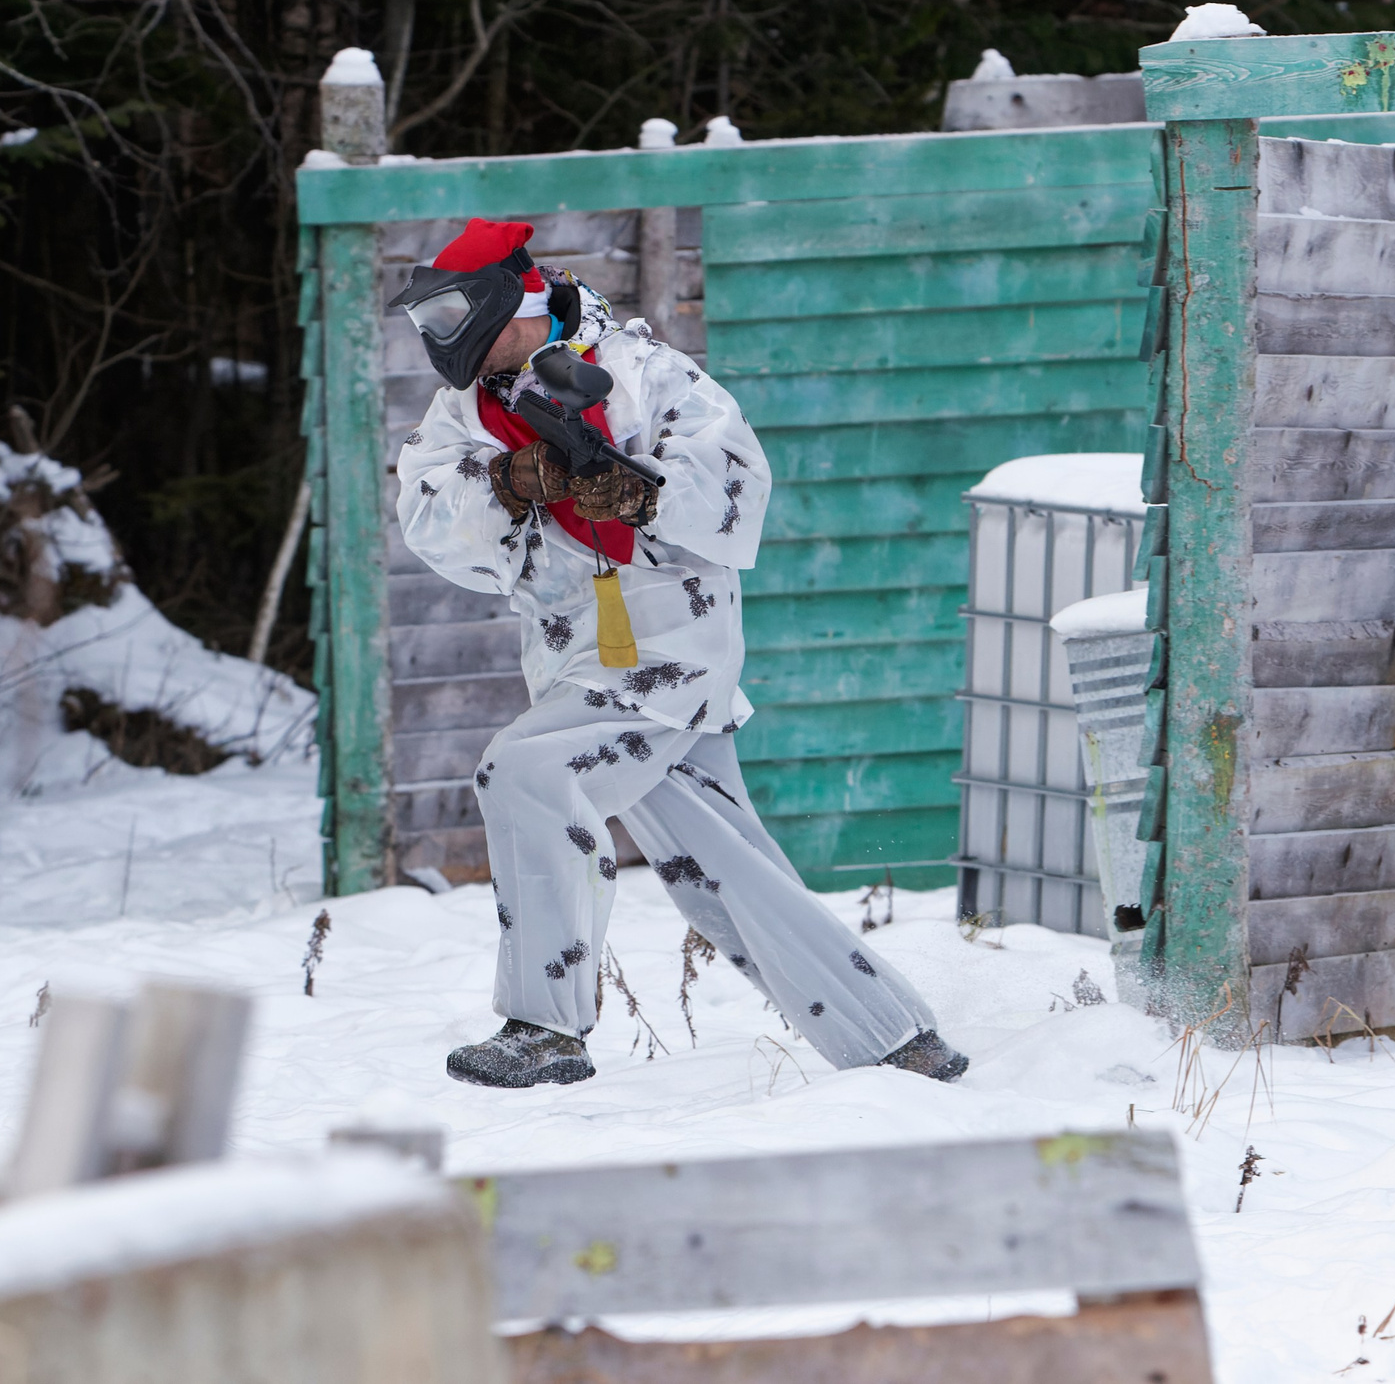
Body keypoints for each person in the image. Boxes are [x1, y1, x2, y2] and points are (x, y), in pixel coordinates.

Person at [392, 217, 969, 1089]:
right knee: (721, 871)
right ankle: (895, 1039)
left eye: (448, 319)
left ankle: (545, 1028)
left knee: (525, 773)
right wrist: (508, 483)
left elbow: (739, 492)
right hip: (569, 656)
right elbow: (428, 519)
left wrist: (638, 492)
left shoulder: (645, 374)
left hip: (671, 647)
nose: (443, 343)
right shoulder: (466, 408)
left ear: (511, 304)